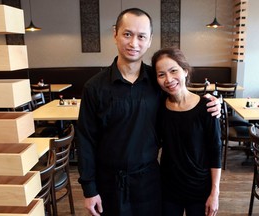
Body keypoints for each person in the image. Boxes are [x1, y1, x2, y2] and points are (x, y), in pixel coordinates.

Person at [77, 8, 221, 216]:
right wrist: (89, 190)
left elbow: (182, 97)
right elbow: (85, 141)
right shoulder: (94, 87)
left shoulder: (158, 81)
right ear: (115, 33)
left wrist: (214, 102)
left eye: (141, 36)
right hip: (109, 183)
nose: (134, 43)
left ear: (150, 40)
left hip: (151, 181)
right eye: (127, 34)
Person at [151, 47, 222, 216]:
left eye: (173, 71)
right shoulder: (158, 107)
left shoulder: (207, 107)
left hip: (199, 188)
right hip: (168, 188)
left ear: (185, 71)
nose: (168, 79)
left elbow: (215, 151)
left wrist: (215, 193)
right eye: (161, 74)